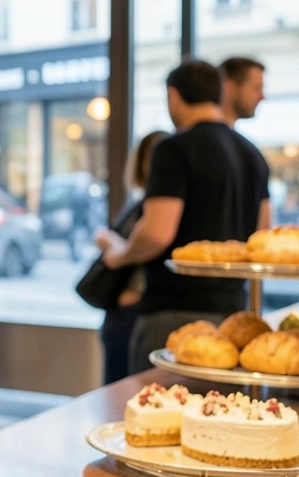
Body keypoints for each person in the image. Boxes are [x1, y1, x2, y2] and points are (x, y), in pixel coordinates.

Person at [95, 59, 271, 375]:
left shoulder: (173, 148)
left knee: (159, 414)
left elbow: (157, 233)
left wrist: (120, 256)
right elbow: (263, 234)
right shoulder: (252, 153)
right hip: (233, 313)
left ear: (173, 96)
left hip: (174, 313)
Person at [98, 130, 167, 385]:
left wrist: (116, 249)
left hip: (137, 309)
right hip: (123, 314)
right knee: (117, 393)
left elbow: (152, 244)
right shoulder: (141, 205)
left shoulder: (157, 209)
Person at [218, 56, 265, 128]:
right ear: (230, 88)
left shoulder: (227, 136)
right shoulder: (209, 136)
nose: (262, 97)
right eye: (256, 88)